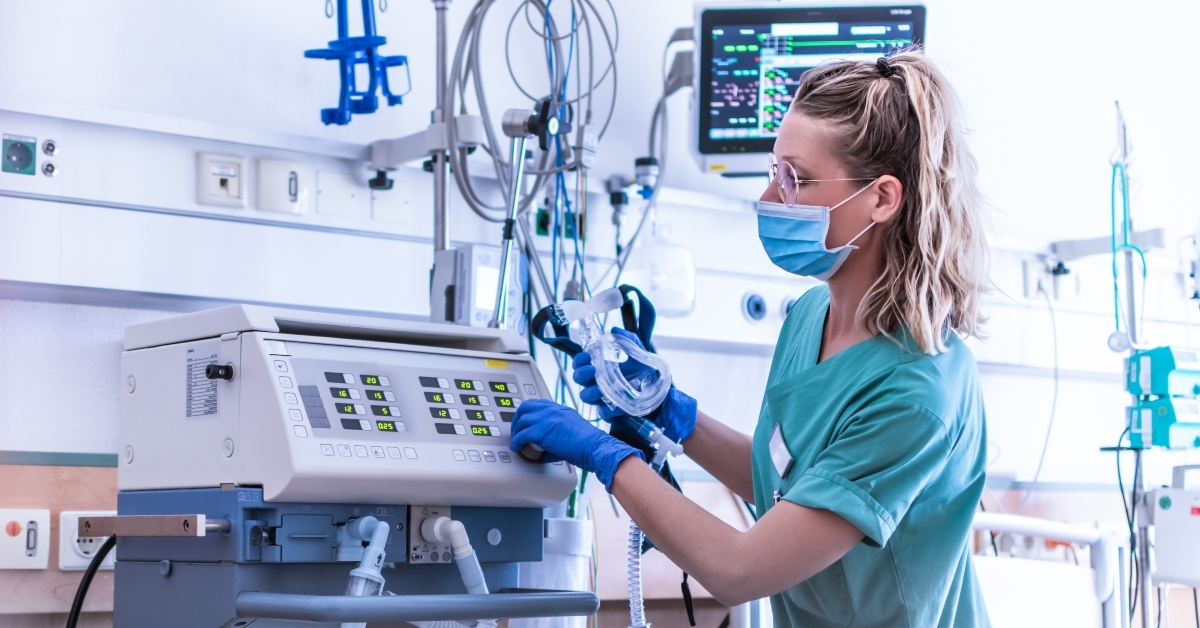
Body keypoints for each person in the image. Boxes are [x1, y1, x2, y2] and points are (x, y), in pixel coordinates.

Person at [510, 49, 991, 627]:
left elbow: (739, 570)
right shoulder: (811, 315)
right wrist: (674, 415)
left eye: (799, 180)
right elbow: (787, 485)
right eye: (774, 172)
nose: (769, 199)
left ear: (882, 198)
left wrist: (606, 457)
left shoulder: (916, 393)